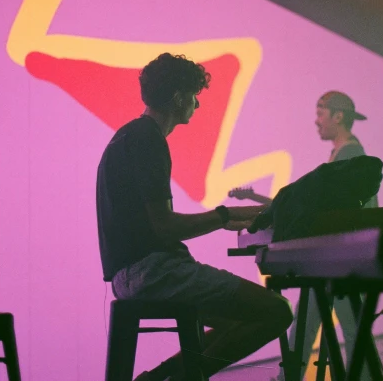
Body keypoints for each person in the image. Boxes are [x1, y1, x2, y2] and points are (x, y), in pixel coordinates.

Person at [97, 53, 293, 381]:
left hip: (130, 275)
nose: (197, 105)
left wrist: (233, 217)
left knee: (238, 321)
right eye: (194, 96)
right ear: (178, 97)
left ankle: (157, 379)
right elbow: (165, 227)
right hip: (152, 272)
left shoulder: (129, 137)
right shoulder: (148, 140)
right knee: (276, 311)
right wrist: (223, 215)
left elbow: (155, 223)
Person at [274, 90, 376, 381]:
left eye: (321, 114)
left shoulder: (349, 154)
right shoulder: (345, 153)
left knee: (317, 318)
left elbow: (337, 212)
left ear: (338, 116)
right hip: (339, 255)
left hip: (340, 256)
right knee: (340, 322)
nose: (316, 122)